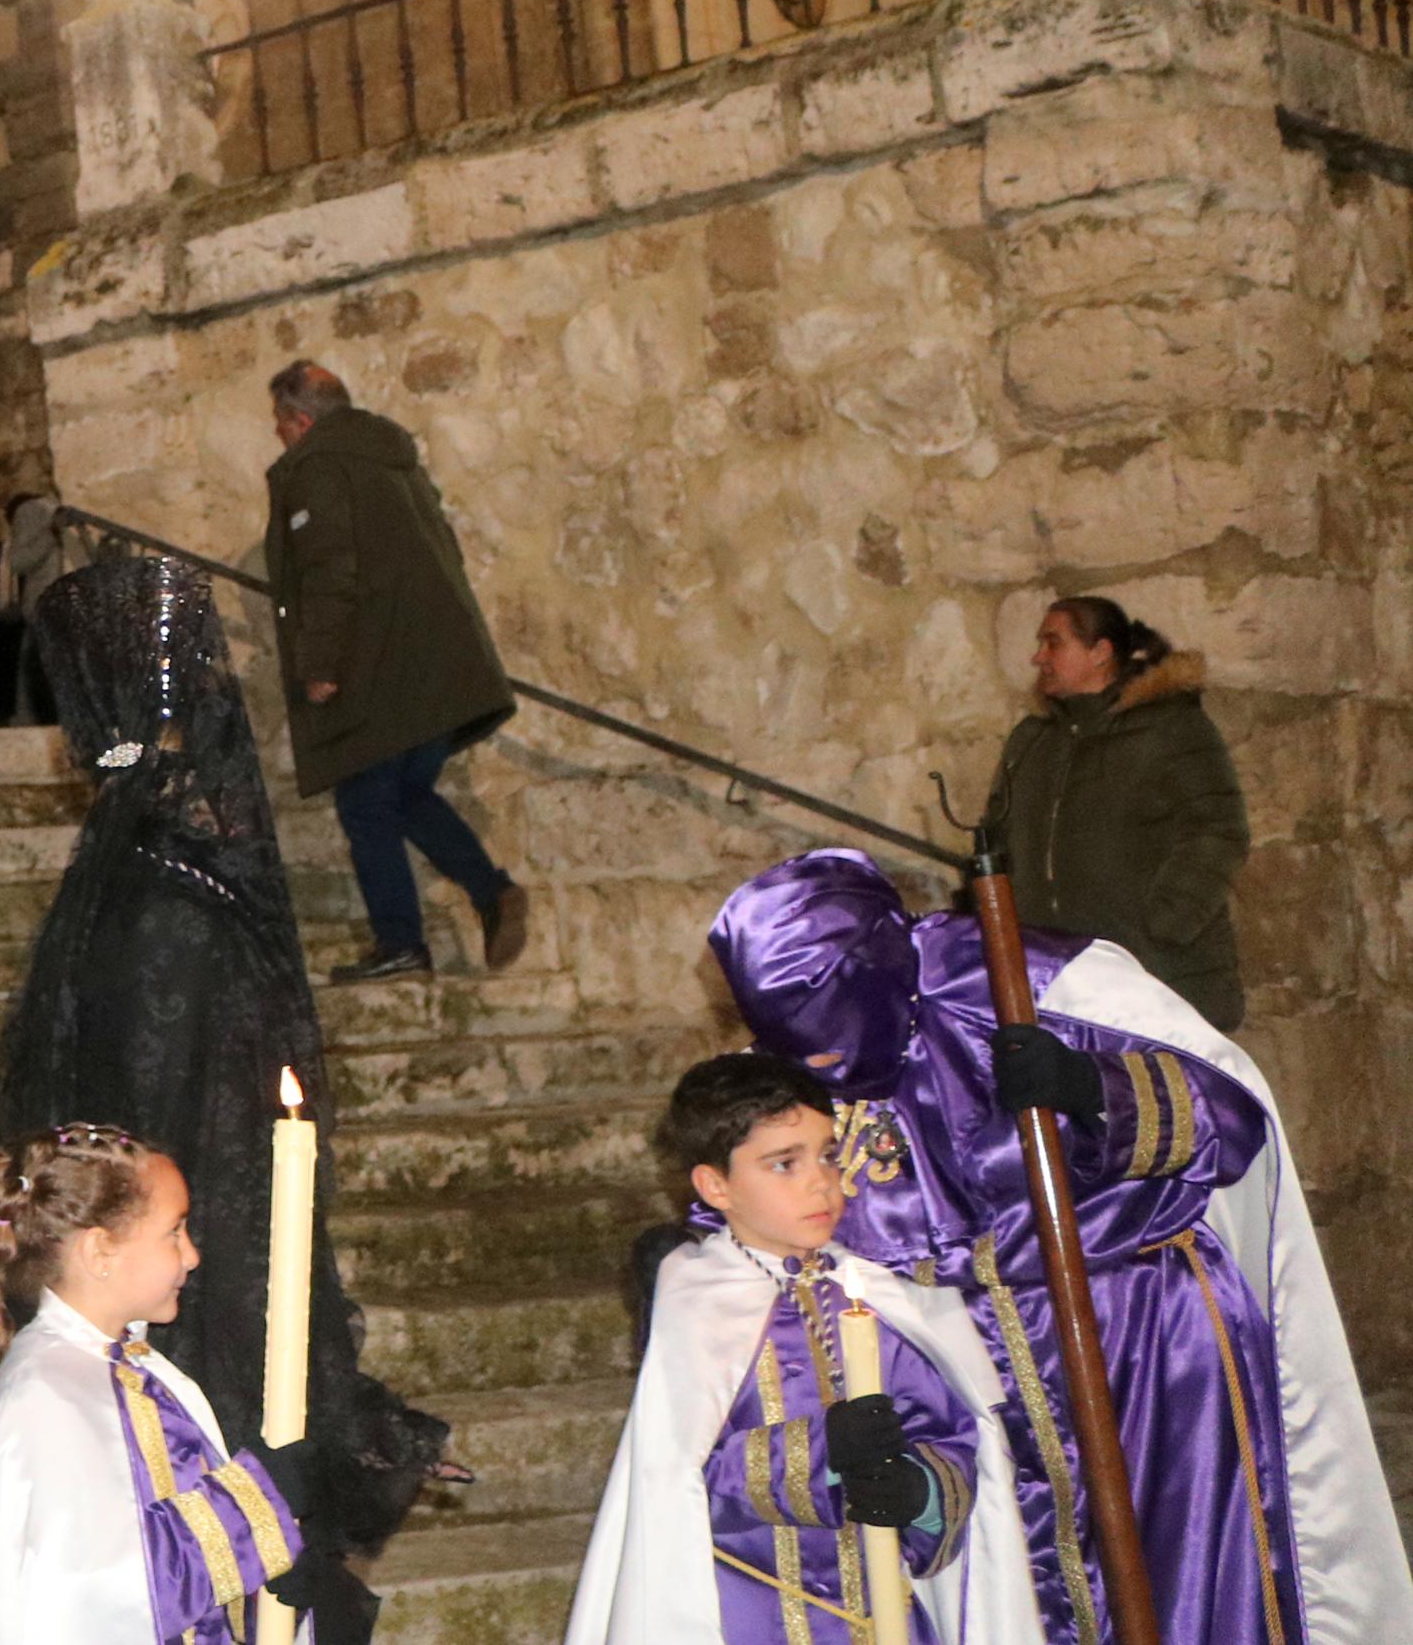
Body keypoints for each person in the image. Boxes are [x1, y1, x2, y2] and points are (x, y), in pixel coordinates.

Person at [711, 848, 1413, 1645]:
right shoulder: (785, 1071)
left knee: (1188, 1591)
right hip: (972, 1378)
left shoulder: (1038, 981)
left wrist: (1089, 1090)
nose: (824, 1066)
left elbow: (1230, 1117)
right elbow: (764, 1224)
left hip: (1143, 1345)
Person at [0, 552, 450, 1631]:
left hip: (160, 1303)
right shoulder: (174, 907)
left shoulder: (123, 877)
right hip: (190, 1321)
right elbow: (216, 1162)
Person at [568, 1050, 1036, 1645]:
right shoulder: (695, 1300)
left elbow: (951, 1439)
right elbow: (682, 1478)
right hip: (749, 1614)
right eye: (783, 1164)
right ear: (716, 1185)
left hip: (884, 1613)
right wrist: (823, 1453)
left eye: (828, 1155)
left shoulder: (880, 1294)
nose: (821, 1181)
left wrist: (918, 1490)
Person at [0, 1122, 346, 1645]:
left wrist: (267, 1576)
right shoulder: (49, 1393)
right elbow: (103, 1595)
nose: (192, 1255)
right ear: (100, 1254)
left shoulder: (136, 1367)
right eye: (174, 1232)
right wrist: (257, 1505)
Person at [260, 360, 525, 984]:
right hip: (434, 663)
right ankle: (491, 891)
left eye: (278, 423)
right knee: (405, 794)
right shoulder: (392, 458)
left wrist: (320, 663)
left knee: (365, 804)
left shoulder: (319, 466)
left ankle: (402, 942)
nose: (277, 436)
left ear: (299, 420)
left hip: (377, 665)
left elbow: (331, 569)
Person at [980, 596, 1249, 1029]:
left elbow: (1218, 829)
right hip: (1061, 986)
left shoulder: (1171, 729)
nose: (1039, 657)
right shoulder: (1031, 743)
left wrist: (1163, 925)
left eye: (1053, 643)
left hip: (1161, 980)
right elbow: (995, 841)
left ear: (1100, 652)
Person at [0, 491, 66, 726]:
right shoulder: (34, 513)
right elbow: (19, 560)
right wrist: (50, 535)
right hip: (39, 607)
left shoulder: (52, 511)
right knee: (30, 671)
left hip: (52, 606)